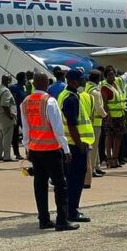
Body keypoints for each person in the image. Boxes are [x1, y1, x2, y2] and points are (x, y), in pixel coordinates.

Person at [22, 73, 78, 231]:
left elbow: (25, 129)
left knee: (40, 186)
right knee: (61, 186)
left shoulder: (25, 102)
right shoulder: (50, 101)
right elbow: (58, 129)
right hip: (52, 150)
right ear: (46, 84)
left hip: (35, 150)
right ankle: (62, 220)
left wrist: (27, 148)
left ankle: (44, 219)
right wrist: (66, 149)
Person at [57, 70, 94, 223]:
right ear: (73, 82)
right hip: (75, 144)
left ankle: (69, 210)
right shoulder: (71, 98)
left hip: (69, 143)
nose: (83, 82)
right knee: (76, 179)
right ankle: (72, 211)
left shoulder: (64, 95)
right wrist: (80, 145)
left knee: (71, 178)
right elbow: (72, 125)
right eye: (81, 80)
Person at [101, 67, 126, 168]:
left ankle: (115, 158)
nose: (112, 77)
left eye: (113, 75)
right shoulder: (105, 87)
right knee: (109, 137)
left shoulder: (116, 84)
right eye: (110, 75)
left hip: (120, 115)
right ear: (106, 76)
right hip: (111, 117)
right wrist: (108, 115)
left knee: (118, 137)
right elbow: (105, 103)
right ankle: (109, 159)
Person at [85, 70, 107, 185]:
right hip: (95, 121)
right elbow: (99, 108)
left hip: (89, 120)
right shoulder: (95, 92)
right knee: (93, 147)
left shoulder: (87, 88)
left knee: (96, 146)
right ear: (98, 79)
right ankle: (92, 169)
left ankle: (97, 166)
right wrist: (105, 115)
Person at [0, 75, 16, 162]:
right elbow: (5, 105)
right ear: (8, 81)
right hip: (5, 117)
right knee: (7, 137)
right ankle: (7, 156)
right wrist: (10, 116)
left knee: (1, 136)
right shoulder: (6, 91)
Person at [10, 72, 28, 160]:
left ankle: (28, 152)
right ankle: (16, 153)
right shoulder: (13, 88)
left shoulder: (24, 88)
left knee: (26, 134)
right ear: (22, 79)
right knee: (15, 135)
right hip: (16, 115)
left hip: (23, 115)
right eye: (25, 78)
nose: (26, 80)